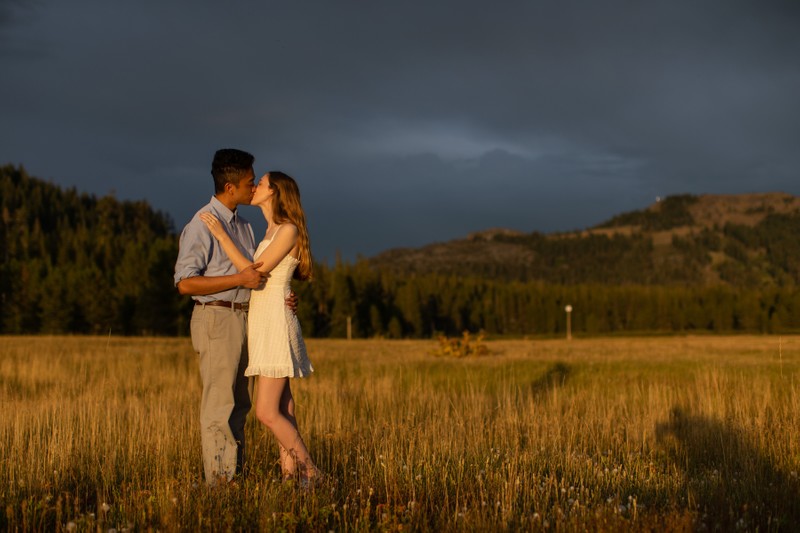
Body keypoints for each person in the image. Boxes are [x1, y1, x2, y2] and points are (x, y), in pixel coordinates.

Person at [174, 149, 296, 485]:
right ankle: (221, 484)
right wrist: (238, 281)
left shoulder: (243, 226)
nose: (253, 186)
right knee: (220, 404)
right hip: (216, 319)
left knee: (240, 404)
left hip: (247, 319)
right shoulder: (202, 224)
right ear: (230, 187)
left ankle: (234, 478)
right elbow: (185, 283)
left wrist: (283, 293)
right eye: (248, 182)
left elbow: (258, 276)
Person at [199, 170, 320, 484]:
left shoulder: (288, 229)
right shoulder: (267, 231)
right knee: (284, 407)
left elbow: (256, 275)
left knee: (267, 412)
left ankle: (314, 475)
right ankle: (294, 480)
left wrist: (222, 236)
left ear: (274, 192)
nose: (255, 187)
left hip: (276, 324)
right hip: (264, 321)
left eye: (261, 183)